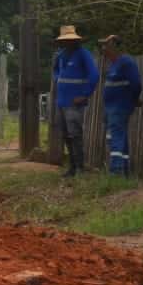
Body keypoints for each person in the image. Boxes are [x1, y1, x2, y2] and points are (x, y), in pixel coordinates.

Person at [52, 25, 99, 178]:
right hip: (61, 102)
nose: (67, 42)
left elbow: (94, 75)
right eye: (65, 40)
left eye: (70, 40)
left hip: (74, 102)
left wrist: (85, 94)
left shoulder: (83, 54)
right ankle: (72, 167)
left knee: (75, 134)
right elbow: (55, 70)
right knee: (65, 134)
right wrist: (57, 79)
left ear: (75, 40)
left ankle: (80, 168)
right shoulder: (60, 55)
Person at [99, 35, 143, 176]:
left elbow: (136, 84)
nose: (103, 48)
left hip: (120, 107)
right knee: (118, 137)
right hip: (111, 107)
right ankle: (124, 170)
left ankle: (116, 172)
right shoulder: (114, 64)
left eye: (106, 45)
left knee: (115, 137)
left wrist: (133, 99)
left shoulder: (126, 62)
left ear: (115, 46)